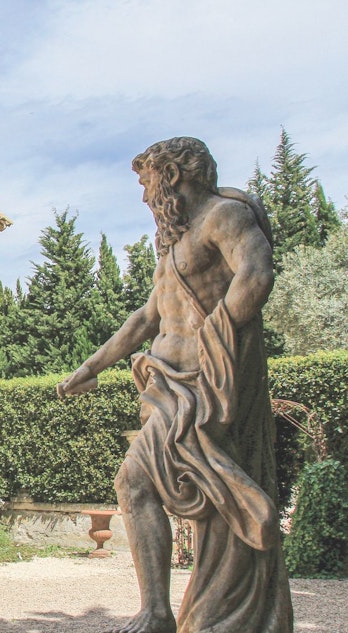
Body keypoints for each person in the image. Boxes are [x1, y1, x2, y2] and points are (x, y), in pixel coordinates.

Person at [58, 137, 293, 633]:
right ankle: (160, 610)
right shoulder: (173, 246)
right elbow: (147, 317)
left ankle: (169, 609)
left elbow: (256, 273)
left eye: (147, 184)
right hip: (168, 389)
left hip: (206, 391)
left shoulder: (222, 216)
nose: (144, 198)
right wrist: (90, 367)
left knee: (144, 485)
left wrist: (216, 342)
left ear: (172, 176)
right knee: (135, 483)